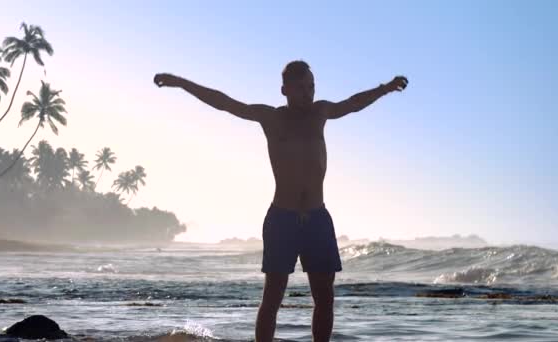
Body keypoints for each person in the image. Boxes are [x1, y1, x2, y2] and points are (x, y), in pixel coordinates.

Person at [154, 61, 408, 342]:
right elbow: (224, 103)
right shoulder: (271, 117)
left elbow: (353, 103)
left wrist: (385, 88)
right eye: (301, 88)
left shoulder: (320, 112)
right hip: (282, 218)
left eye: (311, 87)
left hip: (317, 217)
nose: (308, 93)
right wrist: (182, 83)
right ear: (285, 90)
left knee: (325, 298)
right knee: (273, 297)